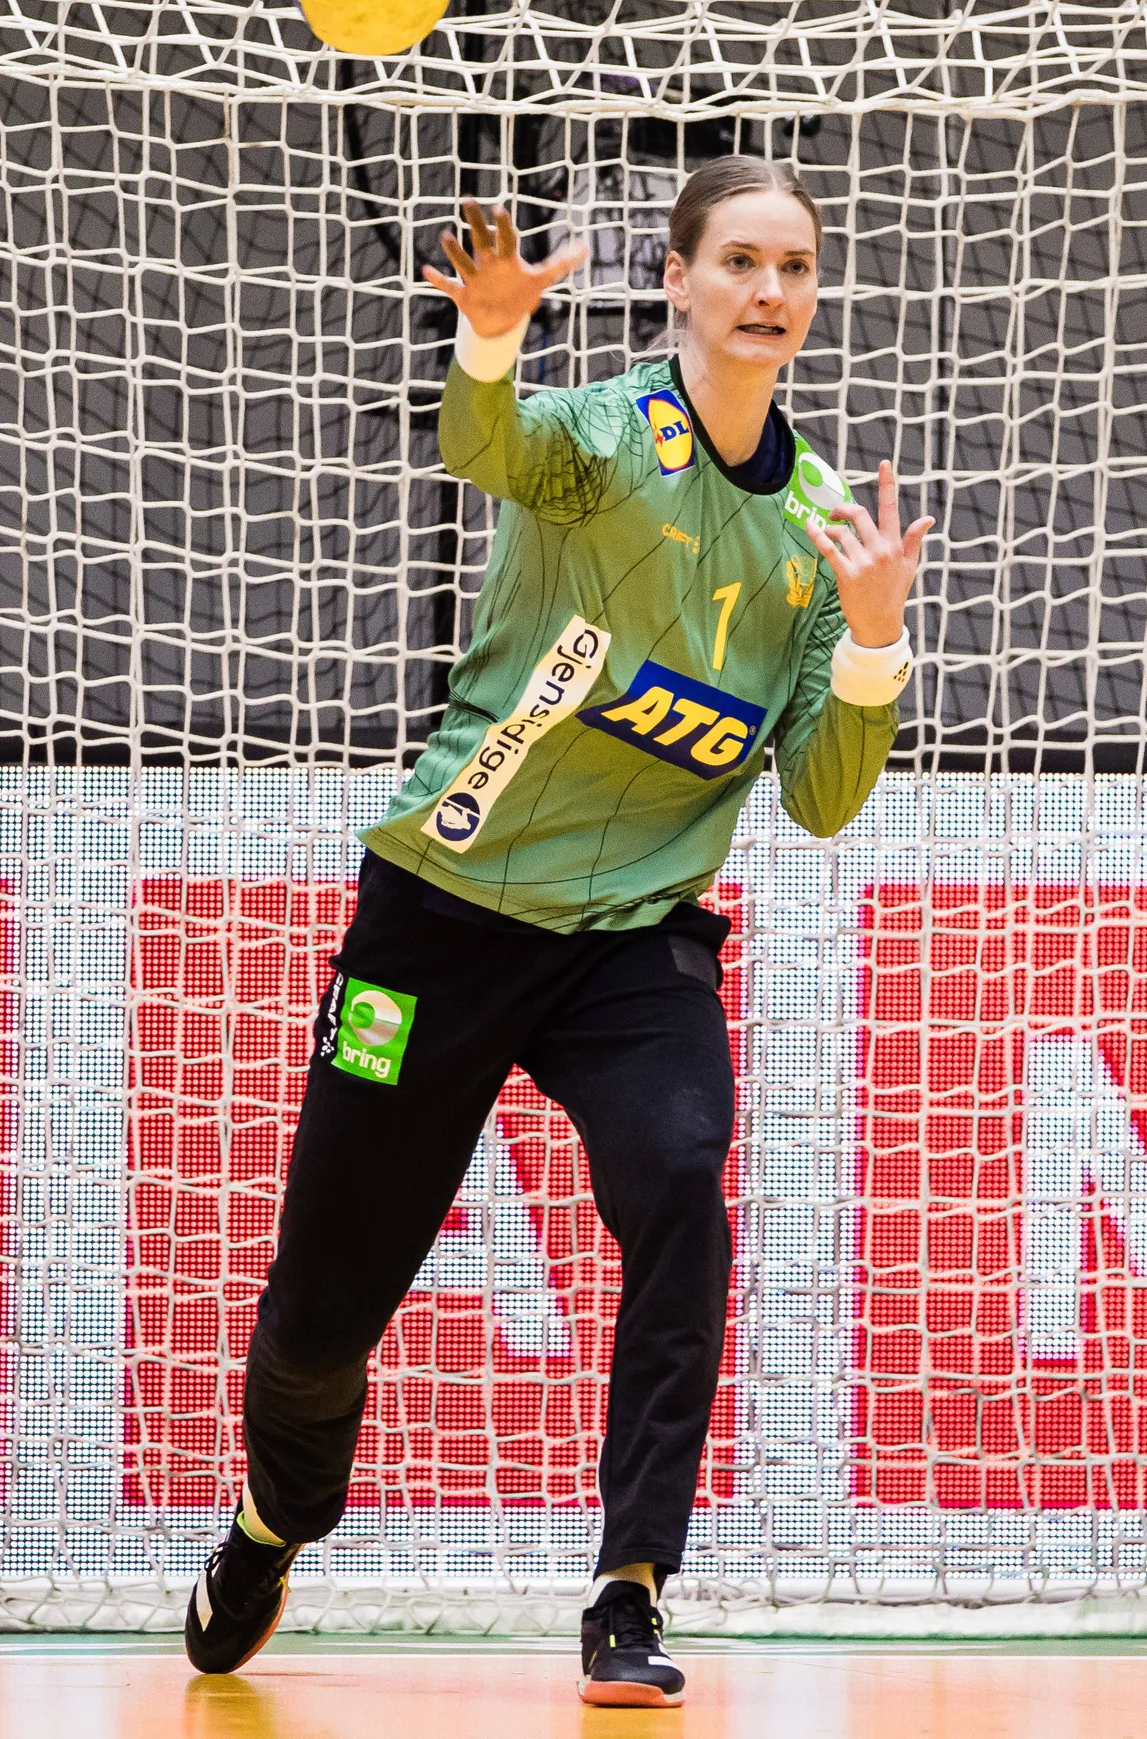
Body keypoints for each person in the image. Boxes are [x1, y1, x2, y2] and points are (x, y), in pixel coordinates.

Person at [184, 155, 932, 1706]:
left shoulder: (823, 529)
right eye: (740, 261)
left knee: (682, 1177)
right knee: (323, 1306)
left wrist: (872, 646)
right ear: (676, 279)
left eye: (794, 267)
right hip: (443, 917)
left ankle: (628, 1586)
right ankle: (275, 1518)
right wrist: (490, 335)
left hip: (631, 939)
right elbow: (486, 445)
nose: (770, 292)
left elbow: (823, 798)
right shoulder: (598, 438)